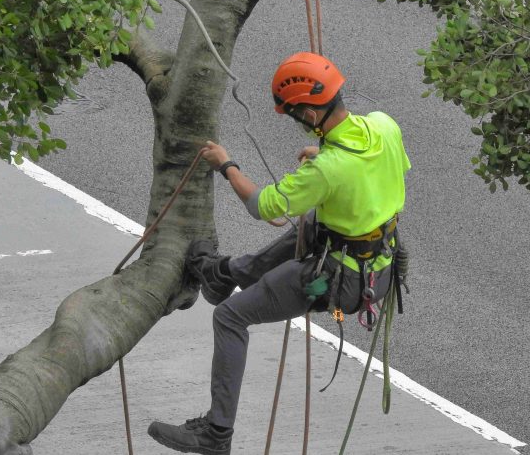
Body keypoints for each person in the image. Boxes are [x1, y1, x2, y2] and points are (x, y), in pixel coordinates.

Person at [148, 51, 411, 455]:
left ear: (308, 114)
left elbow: (263, 206)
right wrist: (325, 157)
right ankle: (223, 275)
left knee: (230, 317)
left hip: (341, 285)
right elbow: (372, 172)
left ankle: (216, 434)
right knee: (313, 226)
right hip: (379, 267)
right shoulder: (384, 125)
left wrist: (226, 164)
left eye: (295, 116)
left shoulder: (328, 171)